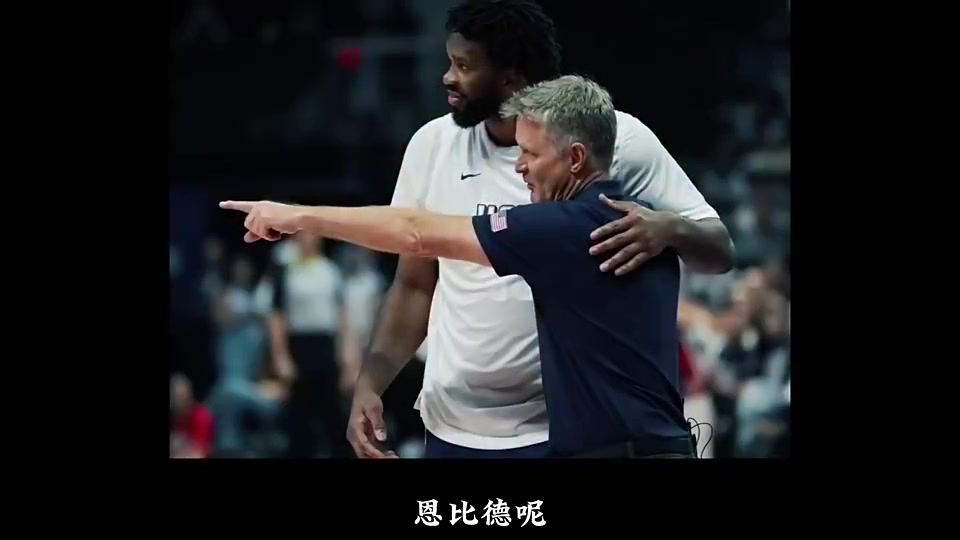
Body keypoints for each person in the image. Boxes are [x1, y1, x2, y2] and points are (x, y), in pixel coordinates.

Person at [221, 75, 710, 458]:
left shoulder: (560, 228)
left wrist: (297, 216)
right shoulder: (645, 218)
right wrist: (679, 228)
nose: (518, 166)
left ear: (576, 158)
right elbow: (711, 244)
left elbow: (414, 231)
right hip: (659, 442)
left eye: (530, 153)